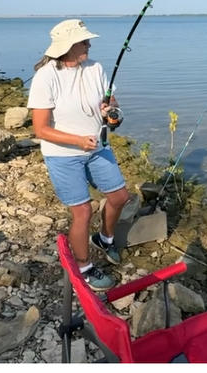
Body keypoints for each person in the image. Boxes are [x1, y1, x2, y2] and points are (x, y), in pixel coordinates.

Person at [27, 19, 129, 291]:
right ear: (69, 46)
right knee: (83, 211)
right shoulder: (46, 77)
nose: (89, 44)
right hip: (63, 155)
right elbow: (41, 129)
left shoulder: (95, 67)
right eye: (84, 41)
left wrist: (113, 115)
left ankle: (105, 239)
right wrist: (77, 141)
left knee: (120, 197)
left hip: (98, 147)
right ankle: (84, 267)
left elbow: (112, 104)